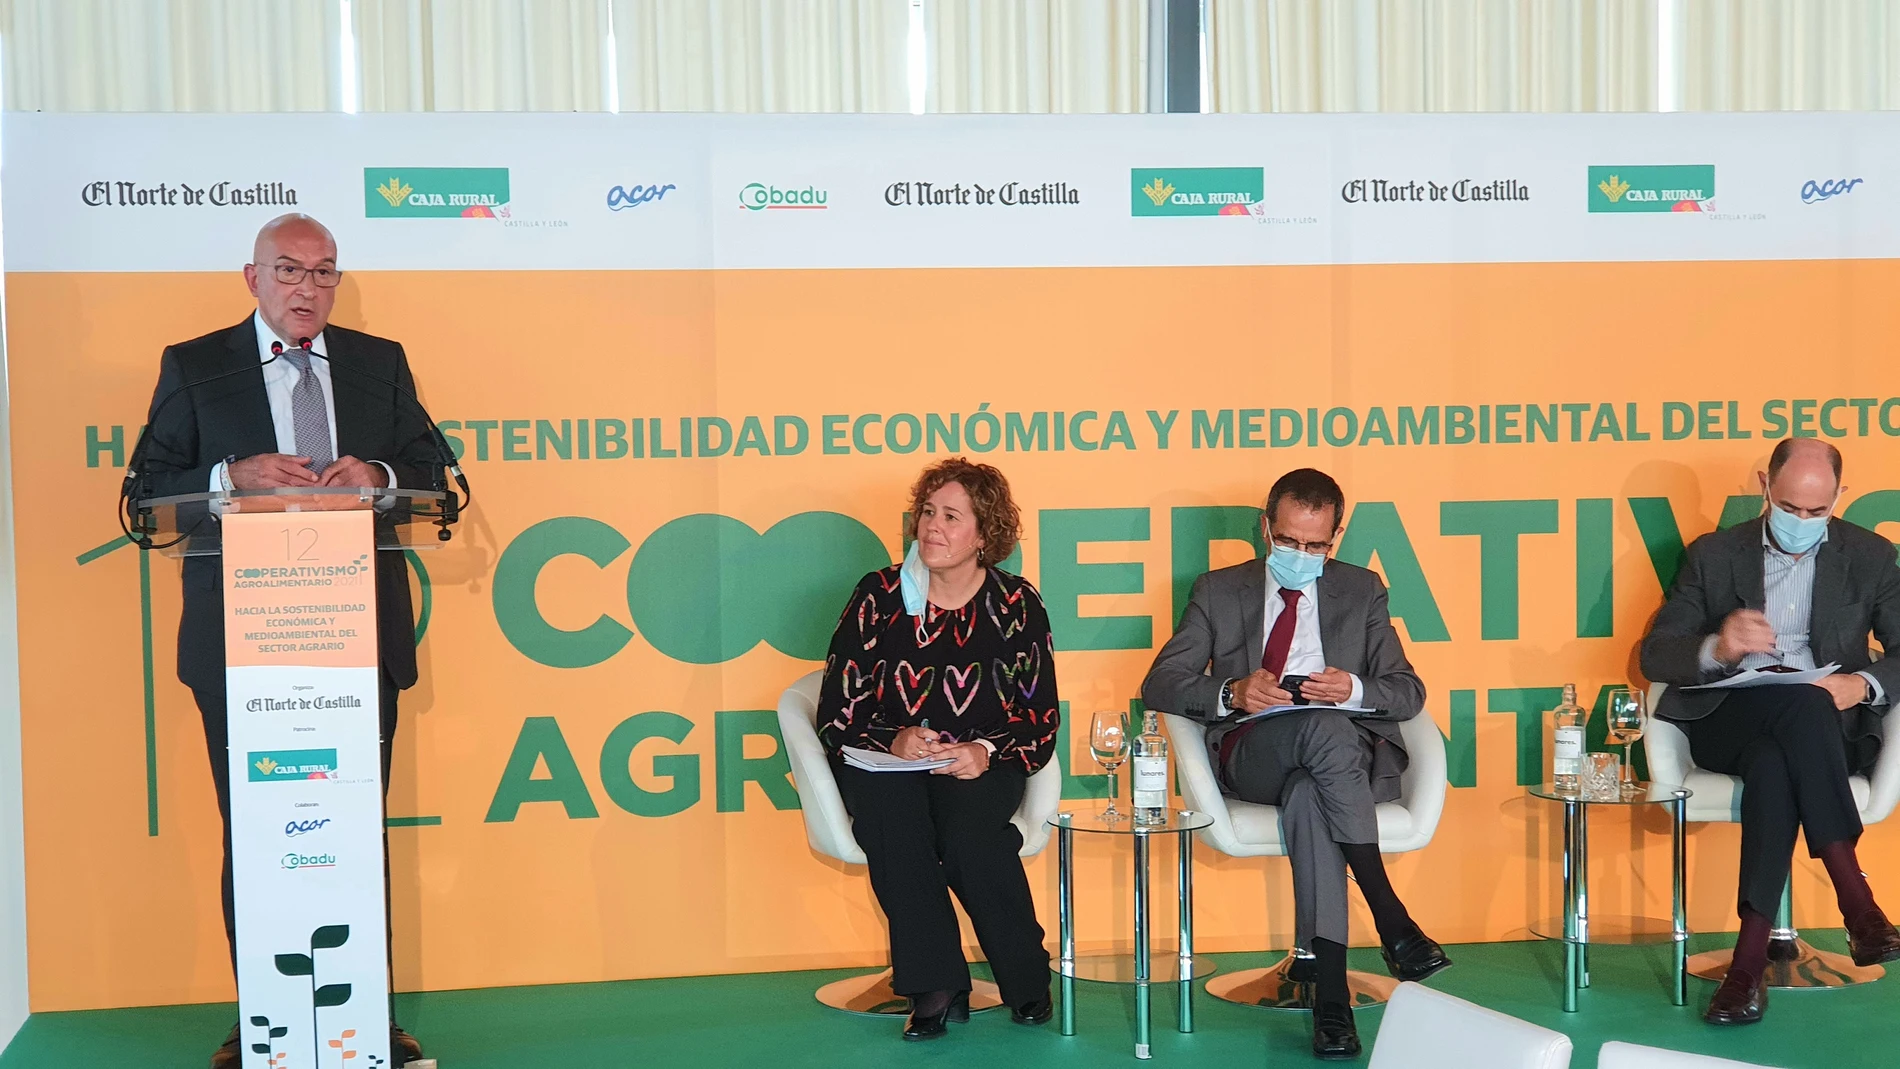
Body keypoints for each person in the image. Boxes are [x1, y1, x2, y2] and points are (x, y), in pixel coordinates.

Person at [139, 214, 439, 1068]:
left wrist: (376, 476)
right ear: (253, 277)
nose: (308, 289)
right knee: (259, 833)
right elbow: (146, 487)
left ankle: (365, 1027)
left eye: (324, 273)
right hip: (243, 645)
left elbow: (429, 469)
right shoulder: (198, 366)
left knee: (350, 833)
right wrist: (227, 478)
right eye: (289, 271)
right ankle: (263, 1021)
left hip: (354, 635)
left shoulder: (379, 364)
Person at [1141, 468, 1448, 1061]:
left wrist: (1352, 688)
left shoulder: (1362, 591)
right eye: (1288, 542)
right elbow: (1162, 682)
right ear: (1265, 528)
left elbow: (1407, 692)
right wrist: (1232, 693)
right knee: (1321, 736)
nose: (1301, 556)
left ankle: (1330, 997)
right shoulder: (1218, 589)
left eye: (1316, 546)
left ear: (1336, 537)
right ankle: (1391, 917)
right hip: (1253, 751)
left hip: (1335, 760)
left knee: (1314, 787)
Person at [1641, 438, 1900, 1025]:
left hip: (1819, 724)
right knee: (1792, 717)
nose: (1803, 521)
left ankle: (1746, 966)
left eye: (1818, 510)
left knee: (1776, 759)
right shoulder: (1714, 554)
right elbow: (1655, 655)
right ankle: (1855, 898)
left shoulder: (1871, 556)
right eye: (1790, 507)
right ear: (1765, 486)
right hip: (1729, 715)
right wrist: (1718, 645)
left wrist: (1863, 685)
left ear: (1841, 496)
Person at [815, 457, 1060, 1041]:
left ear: (985, 533)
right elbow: (836, 709)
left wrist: (985, 750)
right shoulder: (877, 596)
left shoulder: (1017, 605)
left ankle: (1026, 976)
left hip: (977, 765)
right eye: (927, 512)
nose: (932, 528)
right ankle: (935, 984)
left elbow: (1039, 717)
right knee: (894, 823)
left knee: (970, 836)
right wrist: (892, 739)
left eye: (952, 517)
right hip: (887, 765)